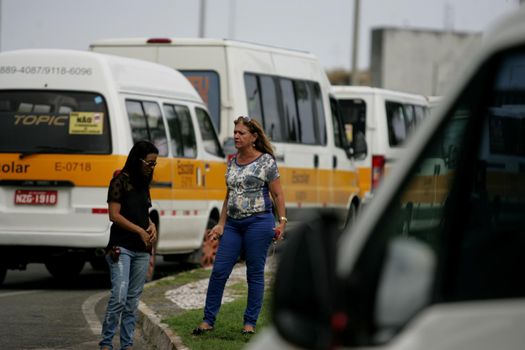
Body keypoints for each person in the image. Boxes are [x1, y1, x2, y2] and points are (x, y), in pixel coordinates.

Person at [193, 115, 287, 336]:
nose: (236, 136)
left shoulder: (266, 161)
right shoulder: (232, 161)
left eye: (241, 133)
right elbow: (229, 195)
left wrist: (281, 222)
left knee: (254, 273)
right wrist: (221, 224)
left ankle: (249, 323)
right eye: (235, 132)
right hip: (234, 225)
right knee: (219, 271)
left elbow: (278, 194)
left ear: (253, 137)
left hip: (259, 223)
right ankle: (208, 320)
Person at [99, 140, 158, 350]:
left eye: (154, 164)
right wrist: (140, 230)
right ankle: (106, 343)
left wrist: (151, 226)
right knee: (119, 297)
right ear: (137, 160)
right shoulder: (119, 182)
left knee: (133, 302)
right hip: (120, 247)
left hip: (142, 250)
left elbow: (143, 214)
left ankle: (127, 345)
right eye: (149, 163)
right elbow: (114, 215)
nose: (152, 167)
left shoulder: (144, 184)